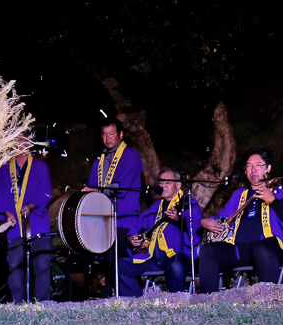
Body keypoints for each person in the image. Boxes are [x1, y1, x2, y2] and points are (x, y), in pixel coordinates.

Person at [199, 148, 283, 293]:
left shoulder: (279, 190)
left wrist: (273, 201)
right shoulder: (239, 194)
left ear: (268, 168)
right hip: (240, 249)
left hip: (273, 248)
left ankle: (269, 300)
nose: (253, 170)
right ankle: (208, 301)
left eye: (258, 165)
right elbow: (223, 217)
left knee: (261, 247)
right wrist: (205, 222)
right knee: (208, 251)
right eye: (249, 166)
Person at [118, 167, 202, 296]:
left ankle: (177, 305)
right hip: (152, 258)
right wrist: (132, 239)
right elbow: (136, 227)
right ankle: (136, 303)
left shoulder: (188, 203)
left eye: (167, 182)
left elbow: (194, 226)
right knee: (120, 266)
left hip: (176, 256)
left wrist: (178, 219)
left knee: (176, 267)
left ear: (178, 185)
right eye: (161, 183)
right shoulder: (155, 207)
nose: (162, 186)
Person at [0, 150, 53, 303]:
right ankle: (18, 304)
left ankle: (43, 303)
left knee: (42, 264)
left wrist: (31, 206)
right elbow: (0, 194)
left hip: (37, 222)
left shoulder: (40, 166)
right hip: (15, 225)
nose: (20, 143)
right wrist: (7, 213)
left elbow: (45, 193)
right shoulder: (5, 169)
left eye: (24, 138)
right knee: (15, 266)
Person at [83, 117, 144, 257]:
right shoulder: (101, 158)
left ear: (121, 135)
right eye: (104, 134)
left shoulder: (131, 155)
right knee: (104, 265)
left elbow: (121, 189)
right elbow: (92, 186)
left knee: (120, 264)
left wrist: (98, 190)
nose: (107, 138)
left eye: (111, 134)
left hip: (125, 219)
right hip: (103, 219)